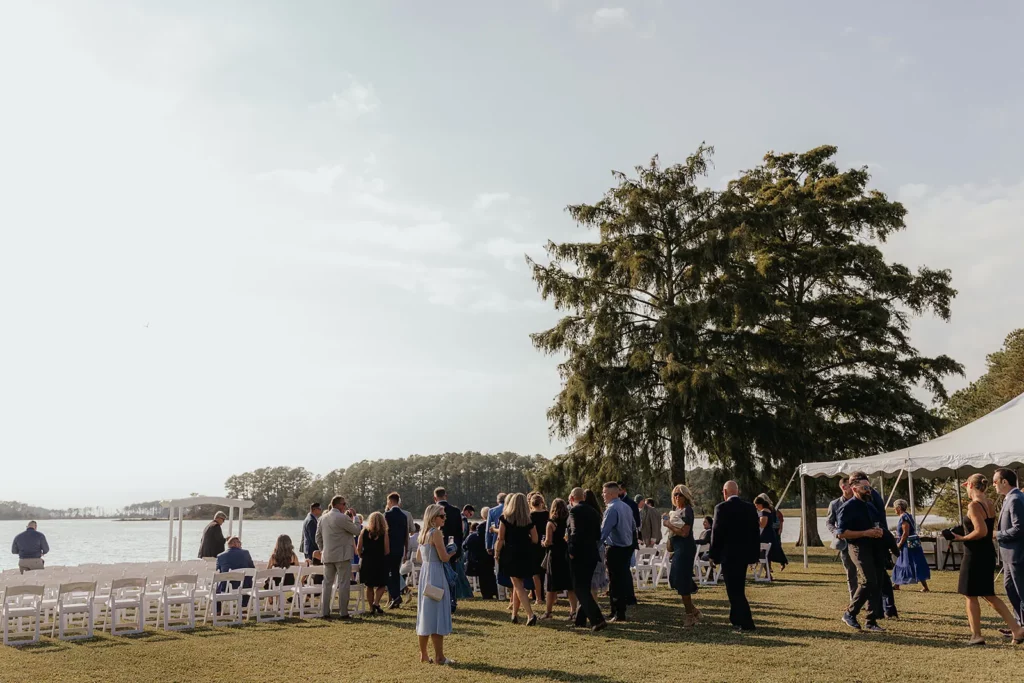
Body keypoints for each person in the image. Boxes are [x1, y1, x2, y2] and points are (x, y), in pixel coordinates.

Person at [951, 474, 1024, 645]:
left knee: (970, 595)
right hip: (987, 553)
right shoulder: (990, 503)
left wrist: (961, 538)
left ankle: (976, 635)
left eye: (966, 486)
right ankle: (1016, 629)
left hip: (974, 554)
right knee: (989, 595)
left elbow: (981, 531)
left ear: (970, 485)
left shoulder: (973, 505)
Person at [836, 476, 886, 632]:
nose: (868, 490)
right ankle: (850, 613)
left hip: (874, 546)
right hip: (858, 548)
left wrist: (879, 531)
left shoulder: (870, 505)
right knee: (868, 580)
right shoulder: (847, 507)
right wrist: (865, 533)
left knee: (877, 581)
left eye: (869, 488)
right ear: (854, 488)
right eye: (865, 488)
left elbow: (876, 524)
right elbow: (841, 533)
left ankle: (871, 621)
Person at [709, 480, 759, 631]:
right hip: (743, 555)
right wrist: (754, 555)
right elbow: (755, 533)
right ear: (737, 491)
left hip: (728, 555)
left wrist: (713, 555)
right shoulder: (749, 508)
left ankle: (746, 622)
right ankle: (736, 618)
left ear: (725, 492)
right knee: (739, 587)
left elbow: (716, 533)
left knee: (733, 590)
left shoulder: (721, 508)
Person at [847, 471, 898, 619]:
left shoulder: (869, 496)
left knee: (875, 579)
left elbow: (874, 519)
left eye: (851, 484)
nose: (850, 487)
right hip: (873, 539)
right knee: (877, 578)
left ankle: (879, 610)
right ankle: (880, 611)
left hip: (874, 540)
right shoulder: (868, 495)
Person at [416, 503, 454, 666]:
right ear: (433, 518)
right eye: (442, 516)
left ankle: (424, 654)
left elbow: (418, 557)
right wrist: (452, 552)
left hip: (426, 574)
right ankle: (439, 657)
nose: (445, 518)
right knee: (437, 615)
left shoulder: (422, 534)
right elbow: (444, 557)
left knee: (425, 614)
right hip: (436, 574)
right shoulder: (436, 533)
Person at [495, 492, 539, 625]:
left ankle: (530, 615)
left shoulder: (505, 518)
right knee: (517, 583)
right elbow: (536, 539)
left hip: (510, 552)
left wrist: (497, 552)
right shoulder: (528, 519)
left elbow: (501, 538)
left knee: (518, 585)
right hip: (525, 553)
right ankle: (514, 614)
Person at [315, 495, 362, 620]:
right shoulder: (342, 517)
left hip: (328, 555)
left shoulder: (322, 518)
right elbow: (357, 531)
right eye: (343, 504)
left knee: (327, 584)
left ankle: (325, 612)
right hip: (342, 556)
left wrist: (323, 549)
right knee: (343, 584)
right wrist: (356, 517)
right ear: (337, 505)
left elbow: (317, 537)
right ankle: (343, 612)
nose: (345, 506)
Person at [567, 487, 607, 632]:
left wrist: (571, 550)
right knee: (584, 587)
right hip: (592, 554)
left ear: (571, 498)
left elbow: (574, 532)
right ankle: (580, 620)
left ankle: (597, 619)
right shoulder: (594, 511)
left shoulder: (574, 511)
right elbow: (598, 534)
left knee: (579, 588)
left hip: (579, 554)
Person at [663, 484, 701, 626]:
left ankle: (690, 615)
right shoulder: (676, 511)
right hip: (677, 548)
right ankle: (694, 610)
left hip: (685, 548)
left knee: (681, 580)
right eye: (675, 494)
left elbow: (684, 532)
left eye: (680, 494)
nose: (677, 497)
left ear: (686, 497)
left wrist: (668, 524)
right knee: (675, 579)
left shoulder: (687, 511)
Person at [995, 468, 1024, 636]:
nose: (993, 485)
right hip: (1008, 554)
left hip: (1016, 554)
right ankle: (1018, 625)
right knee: (1009, 588)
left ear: (1004, 482)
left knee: (1021, 591)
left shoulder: (1015, 499)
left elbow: (1019, 528)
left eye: (995, 481)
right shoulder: (1010, 498)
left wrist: (997, 534)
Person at [601, 482, 635, 622]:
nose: (603, 495)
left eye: (604, 493)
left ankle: (618, 612)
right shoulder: (626, 507)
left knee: (615, 581)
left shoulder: (611, 509)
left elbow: (603, 532)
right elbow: (634, 527)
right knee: (621, 579)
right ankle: (616, 610)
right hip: (627, 547)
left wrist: (596, 545)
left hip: (615, 548)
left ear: (610, 493)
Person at [542, 497, 575, 619]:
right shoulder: (568, 520)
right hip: (566, 553)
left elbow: (549, 541)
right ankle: (573, 611)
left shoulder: (551, 523)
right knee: (570, 585)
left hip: (555, 554)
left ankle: (548, 612)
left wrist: (543, 543)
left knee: (551, 585)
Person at [826, 477, 858, 599]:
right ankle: (853, 600)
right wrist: (836, 533)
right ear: (843, 487)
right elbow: (829, 522)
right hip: (844, 543)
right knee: (851, 573)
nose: (853, 487)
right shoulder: (834, 504)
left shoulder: (859, 501)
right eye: (850, 485)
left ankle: (867, 599)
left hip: (860, 541)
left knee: (866, 573)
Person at [891, 499, 930, 592]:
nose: (894, 510)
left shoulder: (904, 517)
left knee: (906, 563)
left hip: (908, 546)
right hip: (911, 545)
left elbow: (905, 533)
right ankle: (896, 584)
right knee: (908, 563)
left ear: (899, 508)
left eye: (895, 508)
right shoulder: (908, 515)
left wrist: (899, 544)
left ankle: (925, 587)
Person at [357, 510, 390, 615]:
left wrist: (361, 555)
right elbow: (387, 550)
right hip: (380, 560)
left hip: (367, 561)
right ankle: (376, 602)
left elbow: (358, 548)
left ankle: (371, 608)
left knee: (369, 585)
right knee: (382, 584)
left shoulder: (364, 532)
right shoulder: (384, 533)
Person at [384, 492, 412, 609]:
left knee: (386, 574)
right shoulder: (404, 516)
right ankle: (396, 597)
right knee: (395, 573)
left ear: (390, 502)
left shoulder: (387, 515)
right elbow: (406, 535)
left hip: (388, 549)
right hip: (400, 549)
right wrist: (405, 551)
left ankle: (395, 596)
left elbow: (384, 533)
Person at [216, 536, 255, 608]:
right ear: (235, 544)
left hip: (227, 586)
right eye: (240, 543)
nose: (241, 545)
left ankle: (218, 610)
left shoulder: (220, 556)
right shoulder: (246, 553)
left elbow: (218, 571)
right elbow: (252, 568)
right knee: (247, 580)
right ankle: (243, 606)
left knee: (217, 586)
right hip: (245, 585)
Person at [754, 494, 788, 572]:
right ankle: (769, 569)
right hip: (771, 532)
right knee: (771, 551)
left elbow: (763, 524)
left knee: (764, 552)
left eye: (756, 505)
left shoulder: (764, 511)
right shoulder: (770, 509)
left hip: (766, 534)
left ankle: (766, 569)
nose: (756, 507)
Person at [433, 488, 464, 567]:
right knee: (451, 575)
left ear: (435, 498)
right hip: (452, 547)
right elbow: (460, 533)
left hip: (435, 548)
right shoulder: (456, 511)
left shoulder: (432, 511)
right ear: (446, 496)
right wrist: (458, 552)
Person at [530, 493, 549, 607]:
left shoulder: (530, 516)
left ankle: (539, 598)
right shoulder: (548, 515)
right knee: (548, 572)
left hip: (534, 545)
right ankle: (553, 596)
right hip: (546, 544)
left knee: (536, 573)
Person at [300, 503, 322, 567]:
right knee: (311, 569)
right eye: (319, 509)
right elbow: (314, 538)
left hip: (307, 549)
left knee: (309, 569)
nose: (321, 511)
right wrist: (320, 549)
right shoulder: (311, 521)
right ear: (314, 509)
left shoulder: (308, 518)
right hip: (311, 550)